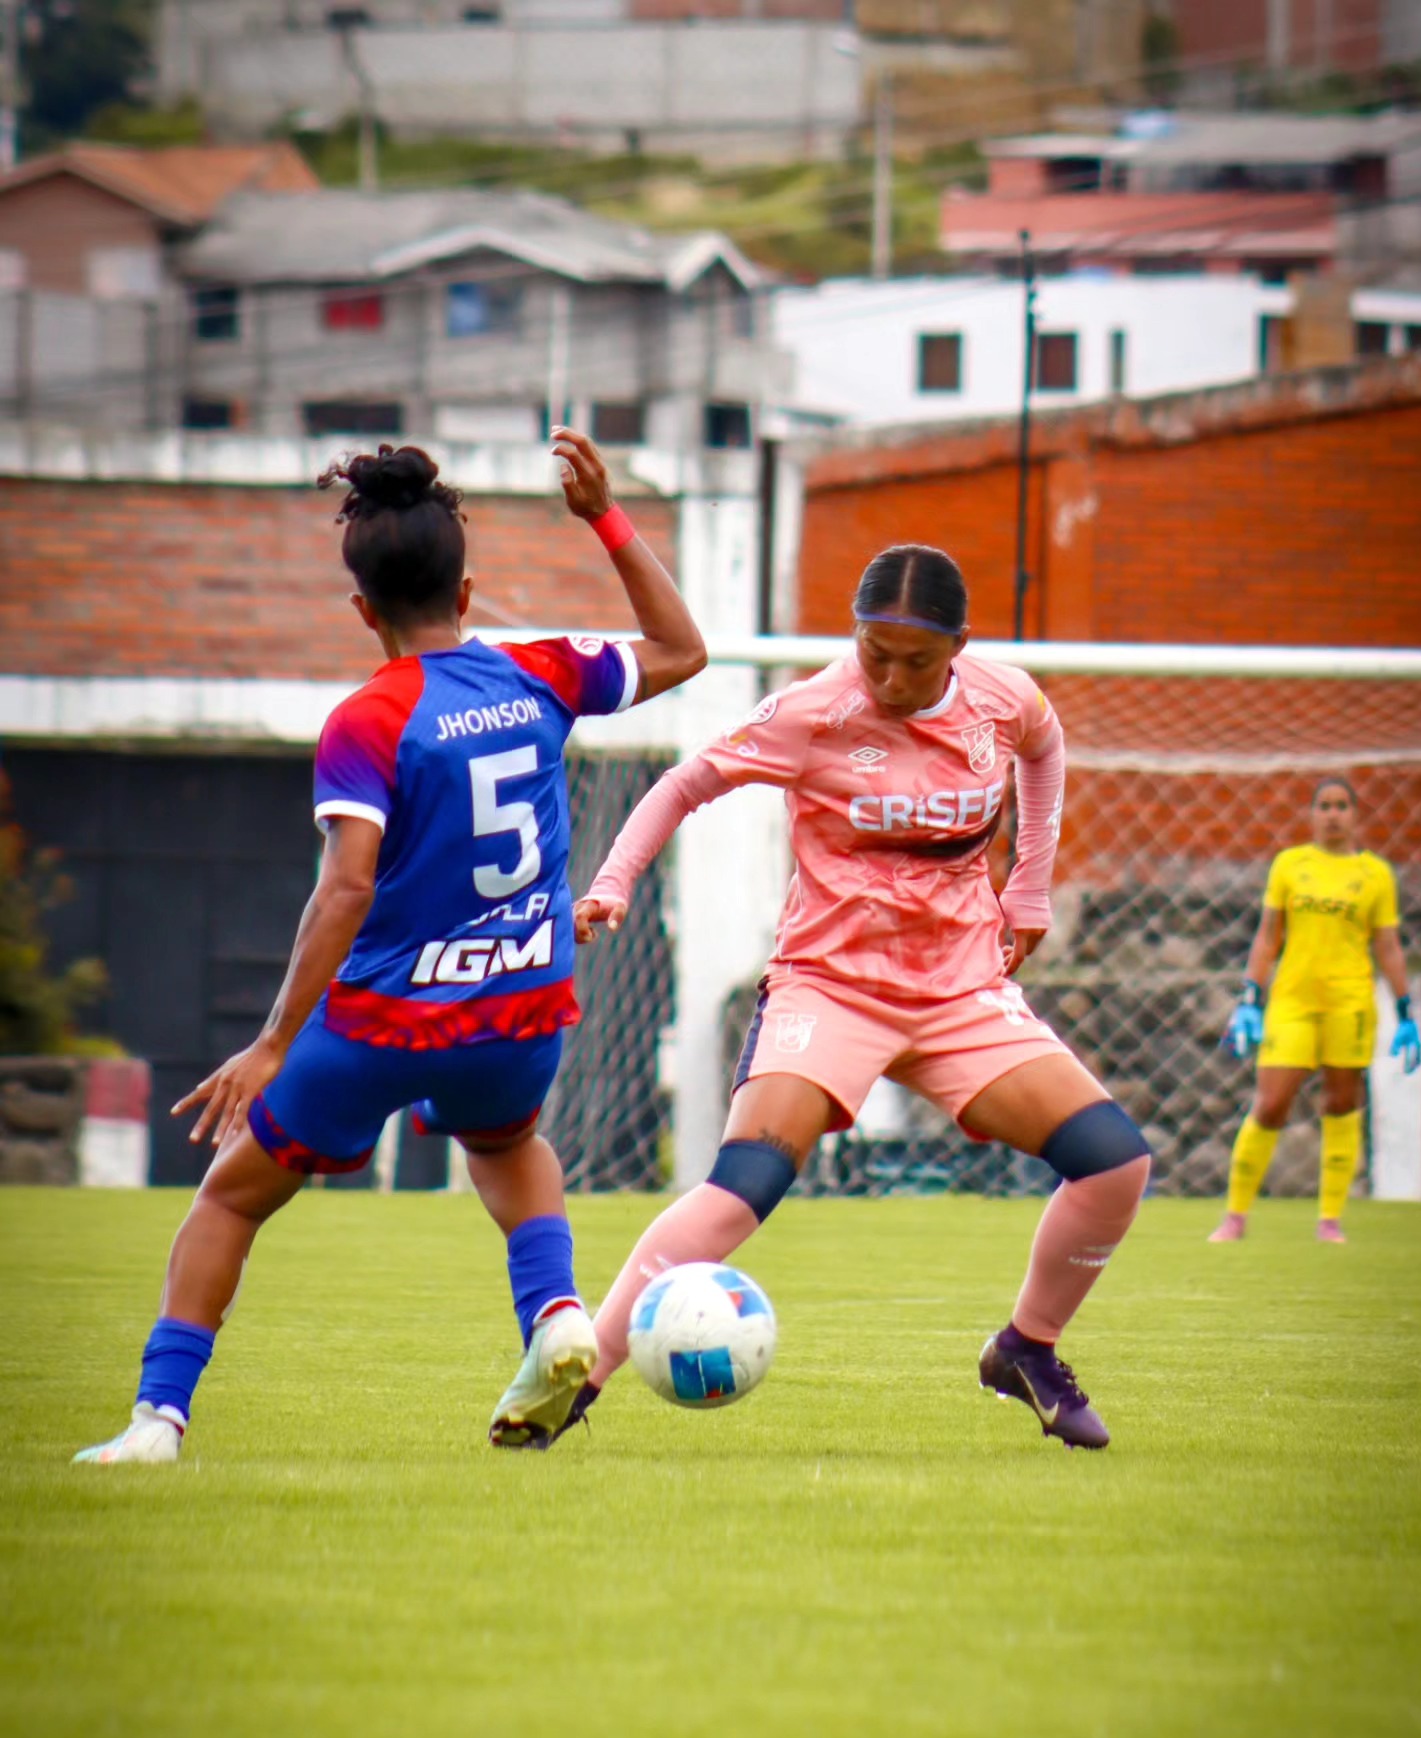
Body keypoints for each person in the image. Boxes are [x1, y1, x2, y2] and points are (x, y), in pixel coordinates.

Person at [75, 430, 706, 1463]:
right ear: (469, 590)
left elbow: (346, 886)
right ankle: (554, 1314)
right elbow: (683, 650)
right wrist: (604, 517)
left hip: (386, 1020)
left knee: (231, 1197)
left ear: (363, 609)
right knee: (506, 1146)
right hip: (524, 1005)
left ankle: (157, 1420)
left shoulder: (367, 721)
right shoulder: (541, 672)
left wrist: (275, 1040)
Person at [549, 543, 1152, 1452]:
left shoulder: (1003, 698)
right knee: (741, 1186)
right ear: (854, 637)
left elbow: (1046, 745)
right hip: (828, 988)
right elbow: (684, 785)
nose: (894, 677)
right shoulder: (813, 711)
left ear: (960, 645)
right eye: (876, 653)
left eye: (918, 660)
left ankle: (1027, 1348)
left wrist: (1029, 886)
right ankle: (575, 1378)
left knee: (1115, 1163)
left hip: (959, 990)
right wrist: (615, 880)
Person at [1209, 777, 1421, 1246]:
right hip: (1292, 1002)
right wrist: (1250, 999)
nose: (1332, 814)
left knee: (1342, 1103)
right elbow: (1268, 936)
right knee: (1271, 1102)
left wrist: (1406, 1012)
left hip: (1350, 1002)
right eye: (1324, 805)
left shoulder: (1375, 875)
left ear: (1355, 814)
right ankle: (1235, 1217)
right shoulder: (1291, 865)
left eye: (1342, 805)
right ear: (1311, 813)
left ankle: (1330, 1221)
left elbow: (1387, 945)